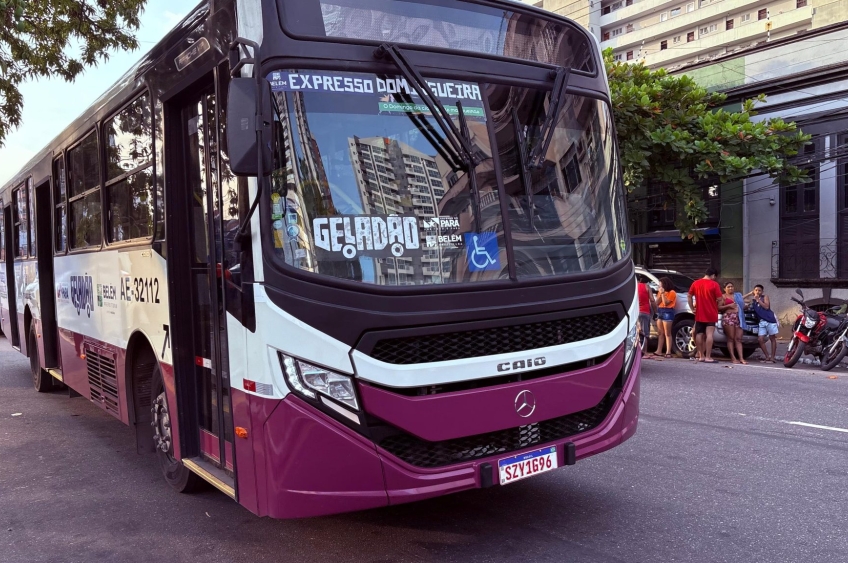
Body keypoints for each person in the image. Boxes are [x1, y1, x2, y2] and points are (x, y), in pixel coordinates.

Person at [687, 267, 723, 364]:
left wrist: (692, 308)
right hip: (711, 313)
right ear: (713, 275)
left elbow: (689, 296)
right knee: (709, 334)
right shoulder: (714, 284)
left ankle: (701, 355)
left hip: (699, 312)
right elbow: (720, 299)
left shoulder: (696, 283)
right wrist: (718, 306)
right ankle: (708, 357)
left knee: (699, 334)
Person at [745, 284, 778, 362]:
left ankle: (773, 357)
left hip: (770, 320)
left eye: (759, 290)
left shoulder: (765, 297)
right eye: (756, 290)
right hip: (761, 322)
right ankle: (767, 356)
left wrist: (758, 300)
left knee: (772, 338)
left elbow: (766, 307)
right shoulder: (753, 301)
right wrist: (750, 294)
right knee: (760, 339)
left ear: (762, 291)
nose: (757, 292)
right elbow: (739, 299)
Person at [719, 282, 746, 364]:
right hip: (728, 317)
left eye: (732, 286)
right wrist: (729, 306)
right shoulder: (723, 297)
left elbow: (742, 306)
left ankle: (741, 358)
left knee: (738, 339)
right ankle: (733, 357)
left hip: (739, 317)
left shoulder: (737, 296)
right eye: (728, 287)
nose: (731, 288)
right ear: (724, 289)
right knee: (731, 338)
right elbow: (719, 307)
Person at [650, 277, 676, 358]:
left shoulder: (672, 292)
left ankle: (668, 352)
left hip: (668, 311)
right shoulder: (660, 292)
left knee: (667, 333)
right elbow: (657, 303)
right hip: (660, 311)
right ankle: (659, 350)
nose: (659, 286)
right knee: (660, 332)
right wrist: (660, 295)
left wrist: (662, 294)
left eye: (660, 285)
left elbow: (666, 303)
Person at [636, 276, 657, 354]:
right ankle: (644, 351)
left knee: (637, 332)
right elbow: (652, 299)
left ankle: (637, 351)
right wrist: (655, 311)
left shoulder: (634, 287)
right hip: (645, 312)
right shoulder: (647, 287)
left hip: (636, 312)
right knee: (645, 333)